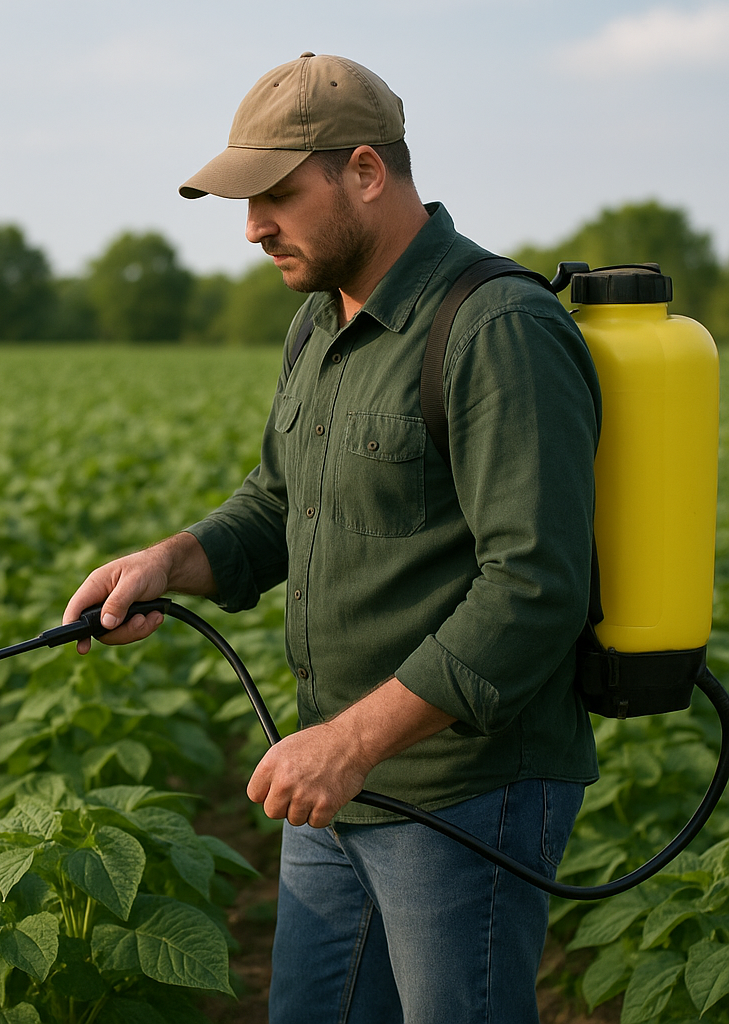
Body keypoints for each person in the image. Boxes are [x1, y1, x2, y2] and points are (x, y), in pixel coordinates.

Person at [64, 53, 601, 1023]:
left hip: (462, 790)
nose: (251, 226)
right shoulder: (319, 323)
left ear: (364, 171)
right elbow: (277, 501)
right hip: (332, 782)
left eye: (274, 194)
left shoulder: (495, 328)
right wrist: (168, 564)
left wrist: (350, 743)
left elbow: (535, 588)